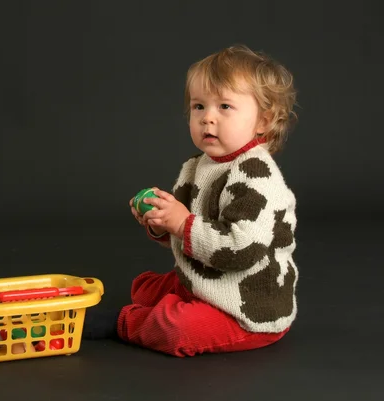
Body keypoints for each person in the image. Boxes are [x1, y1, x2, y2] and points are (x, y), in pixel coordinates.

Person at [84, 44, 300, 357]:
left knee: (180, 330)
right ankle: (172, 298)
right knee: (144, 288)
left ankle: (124, 323)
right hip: (209, 278)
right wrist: (160, 221)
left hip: (248, 307)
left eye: (224, 107)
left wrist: (181, 222)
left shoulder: (256, 175)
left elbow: (242, 249)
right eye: (199, 106)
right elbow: (186, 231)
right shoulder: (197, 165)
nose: (207, 118)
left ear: (262, 122)